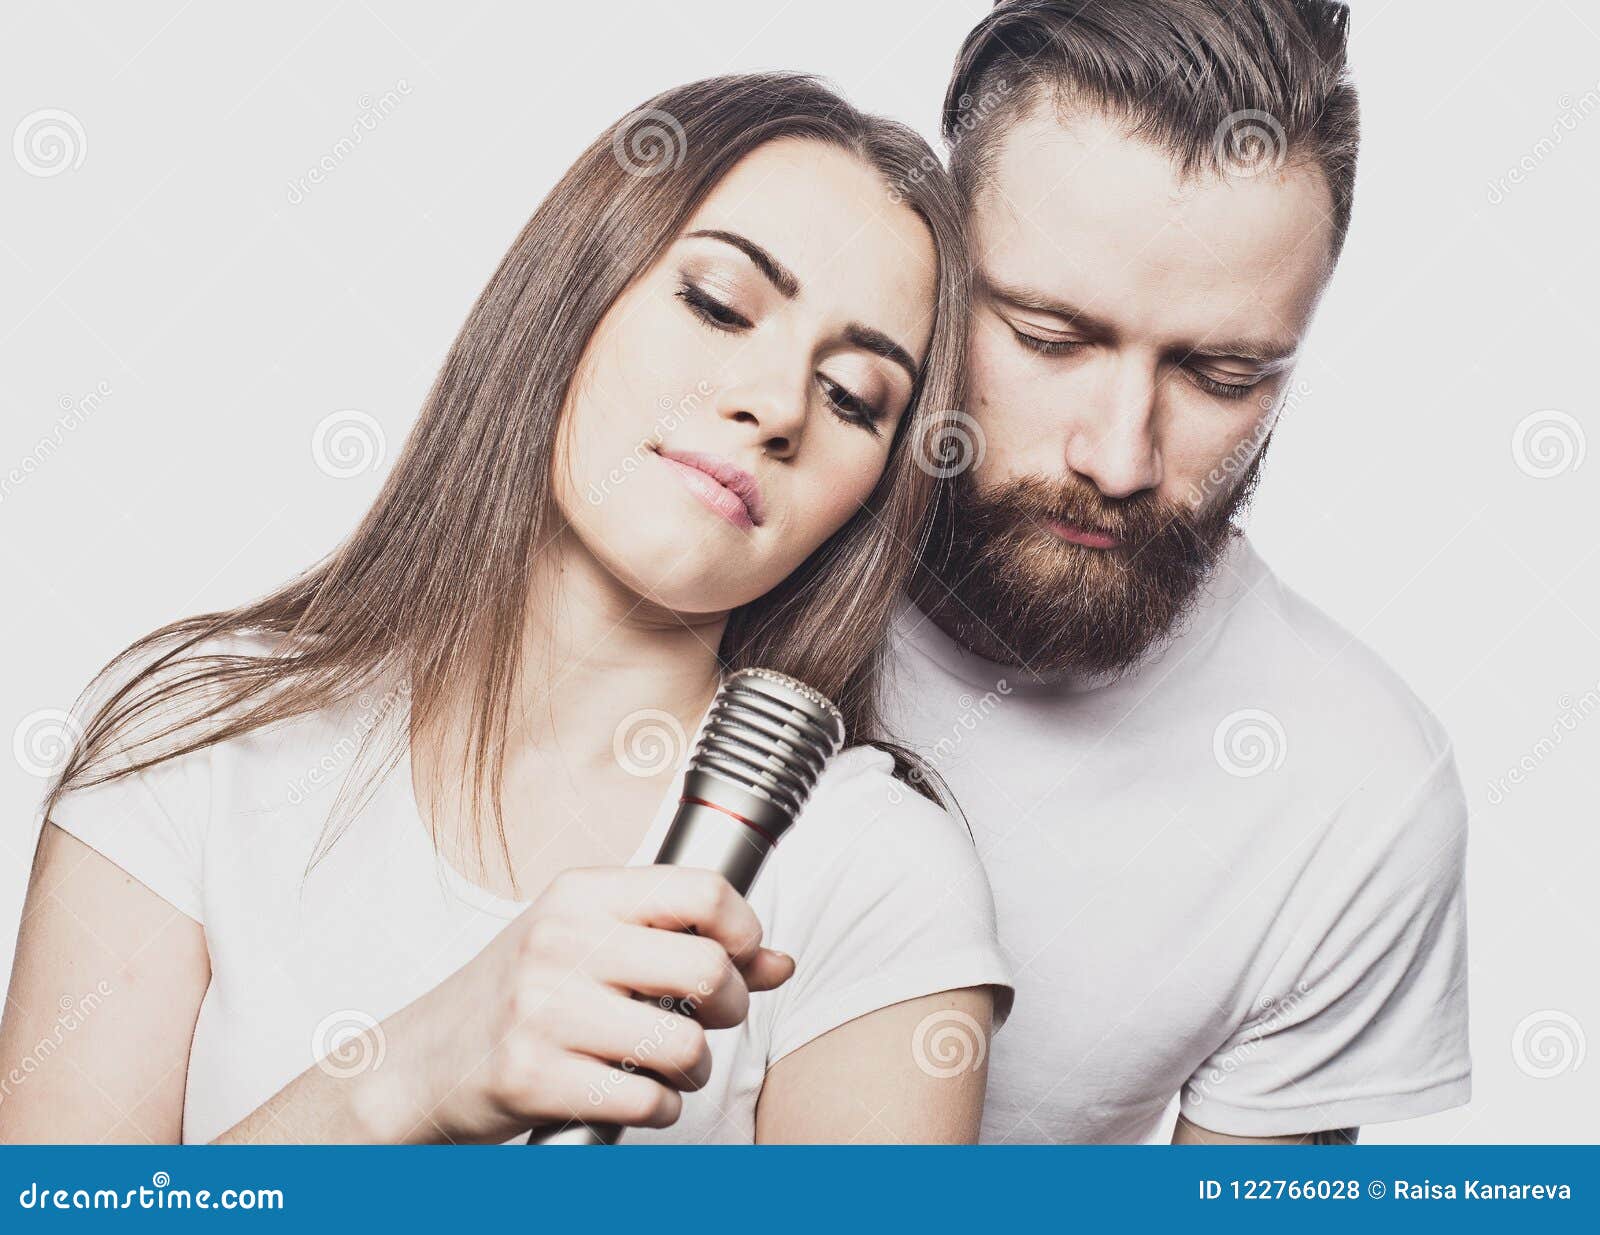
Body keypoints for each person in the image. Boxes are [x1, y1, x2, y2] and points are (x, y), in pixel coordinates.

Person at [0, 73, 1012, 1145]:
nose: (774, 406)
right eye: (718, 306)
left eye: (855, 396)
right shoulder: (197, 736)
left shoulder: (872, 870)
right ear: (573, 294)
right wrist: (398, 1082)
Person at [882, 0, 1470, 1143]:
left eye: (1219, 373)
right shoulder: (702, 543)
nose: (1117, 456)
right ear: (938, 249)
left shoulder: (1354, 793)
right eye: (1050, 337)